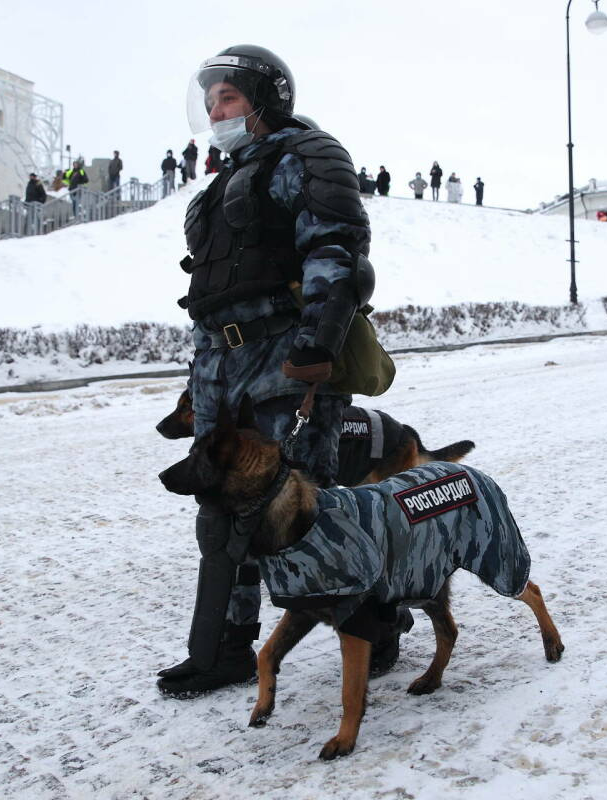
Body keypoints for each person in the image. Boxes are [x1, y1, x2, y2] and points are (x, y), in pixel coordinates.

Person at [155, 44, 405, 698]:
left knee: (304, 508)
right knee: (217, 505)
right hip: (219, 358)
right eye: (210, 100)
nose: (216, 110)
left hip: (283, 349)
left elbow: (335, 247)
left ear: (266, 98)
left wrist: (318, 338)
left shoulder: (307, 156)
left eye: (228, 97)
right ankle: (224, 649)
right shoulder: (218, 184)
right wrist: (203, 373)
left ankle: (378, 625)